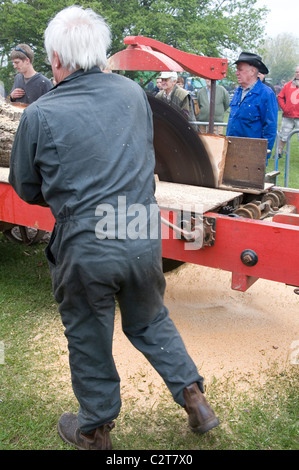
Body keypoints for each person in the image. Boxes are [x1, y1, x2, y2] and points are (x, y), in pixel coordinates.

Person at [9, 6, 219, 450]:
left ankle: (94, 429)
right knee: (150, 319)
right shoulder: (131, 94)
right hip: (141, 228)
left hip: (87, 240)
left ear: (56, 57)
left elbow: (27, 188)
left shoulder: (39, 114)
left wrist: (72, 195)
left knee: (88, 331)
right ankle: (194, 397)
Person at [226, 52, 278, 157]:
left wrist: (263, 157)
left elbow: (270, 129)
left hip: (252, 154)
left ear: (253, 71)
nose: (236, 73)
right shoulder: (238, 92)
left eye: (240, 69)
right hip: (232, 150)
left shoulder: (266, 94)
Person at [277, 65, 299, 158]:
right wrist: (284, 108)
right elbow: (280, 97)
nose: (297, 74)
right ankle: (279, 152)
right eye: (296, 72)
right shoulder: (288, 85)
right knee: (283, 135)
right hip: (288, 116)